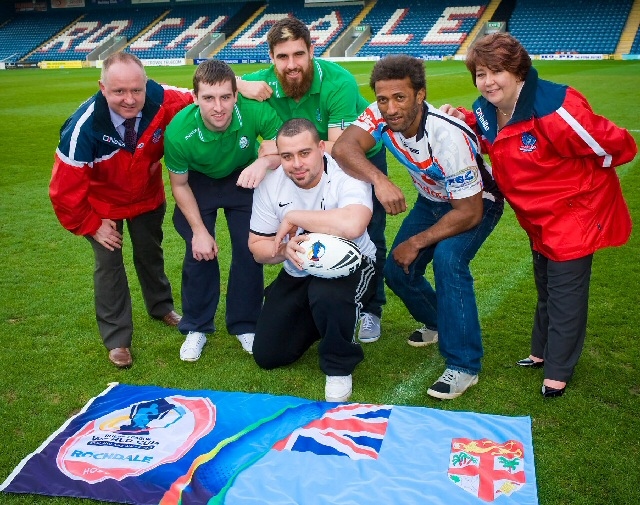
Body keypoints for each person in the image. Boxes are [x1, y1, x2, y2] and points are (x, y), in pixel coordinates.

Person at [440, 33, 637, 398]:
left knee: (566, 292)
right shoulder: (485, 108)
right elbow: (491, 138)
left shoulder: (557, 111)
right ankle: (542, 352)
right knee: (546, 284)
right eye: (481, 73)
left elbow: (618, 146)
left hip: (572, 215)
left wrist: (582, 188)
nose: (488, 81)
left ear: (518, 72)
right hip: (536, 216)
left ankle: (559, 370)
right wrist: (463, 118)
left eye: (497, 71)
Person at [333, 55, 504, 400]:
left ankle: (464, 364)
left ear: (420, 95)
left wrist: (418, 242)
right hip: (432, 201)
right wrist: (379, 181)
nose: (390, 108)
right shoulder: (380, 113)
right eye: (383, 99)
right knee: (397, 270)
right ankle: (440, 322)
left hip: (475, 203)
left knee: (448, 261)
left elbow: (468, 212)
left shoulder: (447, 136)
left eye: (400, 98)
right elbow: (343, 147)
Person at [236, 16, 388, 344]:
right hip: (302, 158)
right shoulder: (262, 82)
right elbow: (209, 82)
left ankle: (371, 308)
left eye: (298, 54)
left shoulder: (338, 82)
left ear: (312, 51)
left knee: (368, 231)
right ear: (271, 58)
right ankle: (312, 293)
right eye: (282, 57)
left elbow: (339, 149)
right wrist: (239, 84)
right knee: (312, 225)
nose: (291, 65)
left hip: (355, 155)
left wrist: (273, 153)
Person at [49, 52, 192, 368]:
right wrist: (91, 224)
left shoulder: (163, 99)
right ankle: (117, 340)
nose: (130, 100)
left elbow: (205, 96)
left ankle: (161, 306)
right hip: (102, 208)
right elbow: (62, 191)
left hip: (147, 197)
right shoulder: (81, 130)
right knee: (109, 266)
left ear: (146, 84)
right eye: (119, 92)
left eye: (136, 90)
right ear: (102, 87)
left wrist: (242, 85)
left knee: (149, 254)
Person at [248, 118, 377, 402]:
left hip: (353, 265)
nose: (296, 164)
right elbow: (257, 247)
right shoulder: (271, 184)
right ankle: (325, 321)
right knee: (269, 355)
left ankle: (339, 366)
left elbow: (354, 224)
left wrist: (294, 217)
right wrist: (284, 251)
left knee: (328, 294)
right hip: (298, 270)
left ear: (321, 148)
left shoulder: (346, 172)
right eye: (287, 156)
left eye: (304, 153)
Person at [164, 59, 282, 361]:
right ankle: (197, 326)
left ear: (236, 96)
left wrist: (263, 161)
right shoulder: (179, 131)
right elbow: (179, 185)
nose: (218, 107)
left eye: (226, 97)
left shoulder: (253, 110)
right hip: (198, 183)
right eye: (208, 98)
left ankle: (246, 324)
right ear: (195, 98)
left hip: (241, 176)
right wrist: (199, 231)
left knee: (249, 248)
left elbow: (281, 146)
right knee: (199, 251)